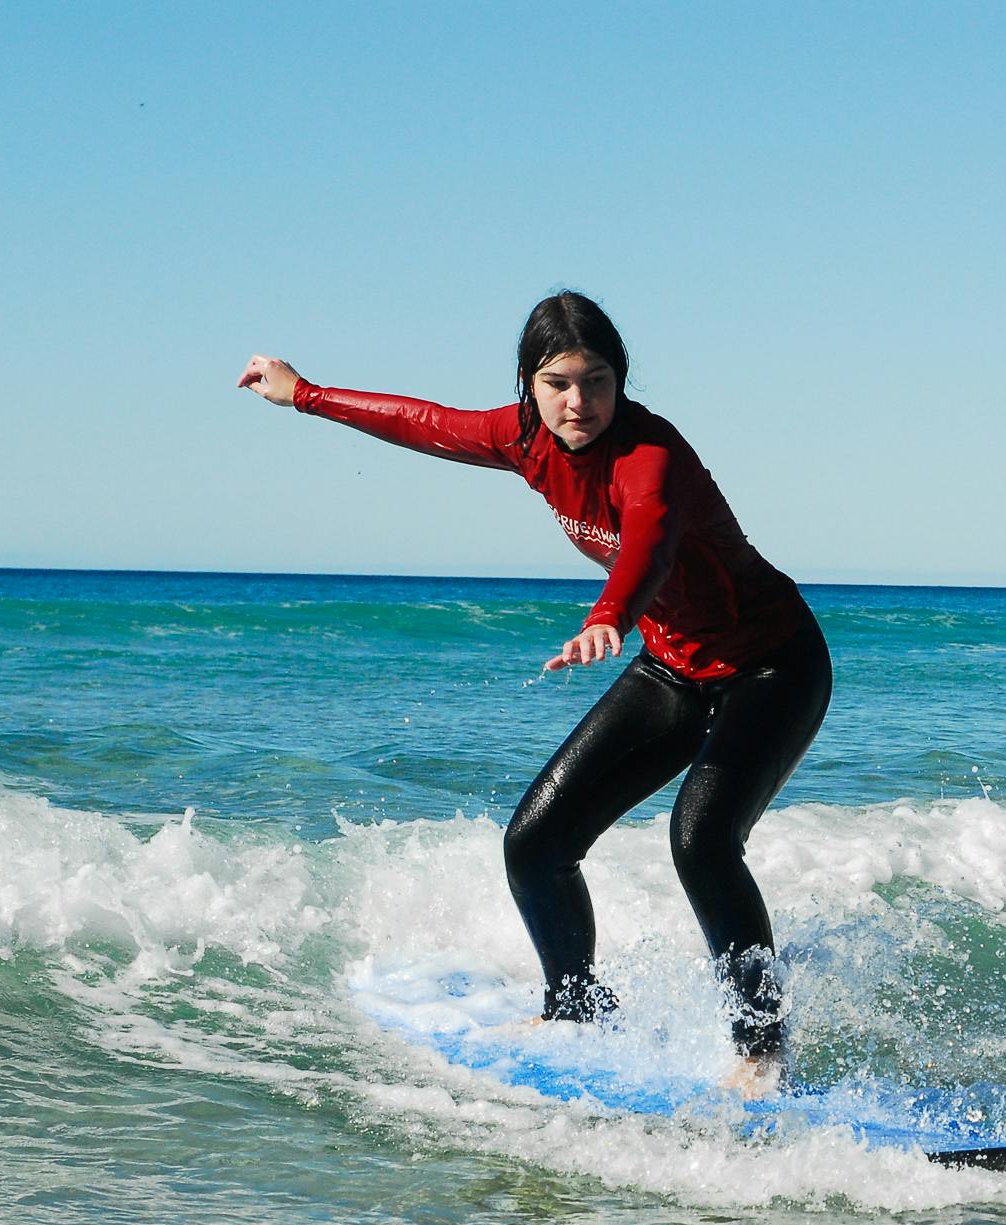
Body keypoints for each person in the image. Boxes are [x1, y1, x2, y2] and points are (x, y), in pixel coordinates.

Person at [237, 292, 829, 1095]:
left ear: (622, 382)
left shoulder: (651, 456)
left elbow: (648, 542)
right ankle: (576, 1007)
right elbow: (423, 421)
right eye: (557, 383)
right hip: (674, 665)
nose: (578, 402)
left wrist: (610, 616)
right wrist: (304, 394)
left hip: (772, 665)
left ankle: (762, 1049)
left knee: (702, 839)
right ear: (528, 383)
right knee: (536, 845)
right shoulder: (522, 437)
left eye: (597, 382)